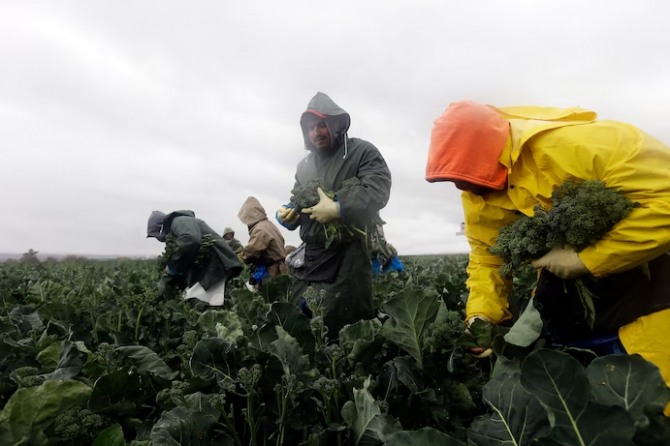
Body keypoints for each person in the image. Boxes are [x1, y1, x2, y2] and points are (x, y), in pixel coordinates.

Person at [425, 100, 670, 415]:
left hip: (649, 291)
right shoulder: (476, 190)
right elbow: (488, 258)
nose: (464, 189)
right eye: (458, 182)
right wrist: (482, 316)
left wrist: (585, 259)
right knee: (578, 413)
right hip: (570, 310)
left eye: (467, 181)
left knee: (653, 410)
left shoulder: (583, 146)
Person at [276, 92, 392, 338]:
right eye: (310, 127)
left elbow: (378, 190)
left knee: (344, 328)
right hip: (311, 256)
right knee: (303, 326)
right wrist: (290, 214)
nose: (316, 132)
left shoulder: (362, 152)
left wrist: (339, 206)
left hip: (349, 255)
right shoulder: (304, 165)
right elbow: (299, 198)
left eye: (322, 125)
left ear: (336, 125)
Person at [146, 210, 243, 306]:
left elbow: (190, 240)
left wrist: (173, 265)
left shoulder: (179, 221)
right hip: (211, 264)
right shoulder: (177, 228)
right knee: (212, 301)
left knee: (199, 302)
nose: (159, 239)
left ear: (161, 227)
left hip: (216, 262)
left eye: (157, 236)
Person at [238, 196, 288, 292]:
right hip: (280, 268)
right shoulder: (269, 225)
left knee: (267, 300)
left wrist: (243, 257)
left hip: (272, 271)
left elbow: (251, 251)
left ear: (249, 217)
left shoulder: (260, 229)